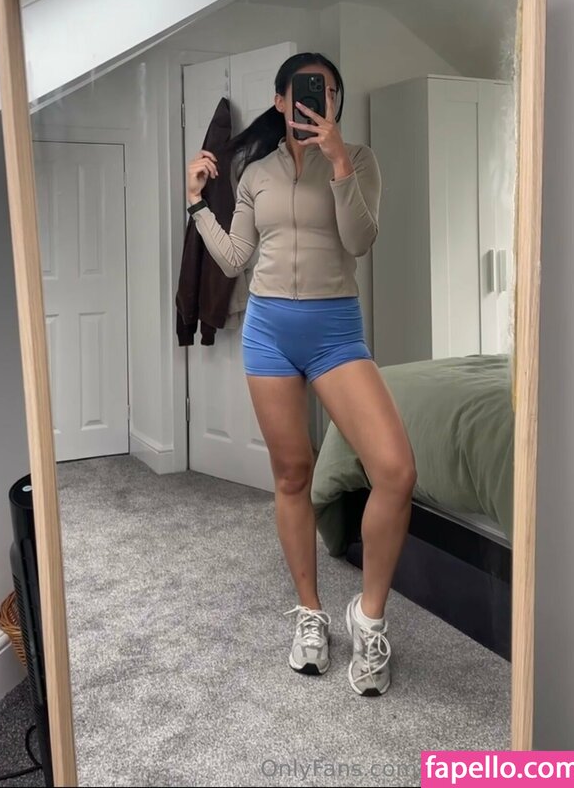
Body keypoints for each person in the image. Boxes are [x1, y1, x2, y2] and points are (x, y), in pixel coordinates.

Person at [186, 52, 416, 696]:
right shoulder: (255, 173)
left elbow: (360, 240)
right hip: (269, 333)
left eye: (330, 92)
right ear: (282, 100)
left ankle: (368, 617)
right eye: (310, 91)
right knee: (292, 473)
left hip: (335, 332)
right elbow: (234, 258)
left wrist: (339, 162)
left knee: (395, 470)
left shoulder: (359, 159)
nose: (322, 101)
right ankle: (310, 612)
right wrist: (197, 203)